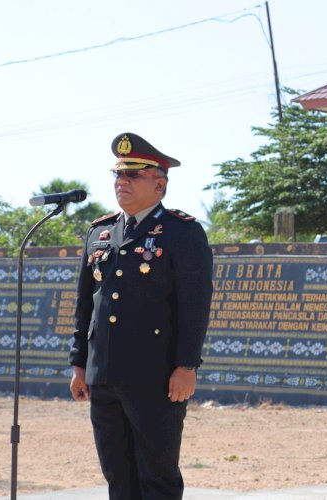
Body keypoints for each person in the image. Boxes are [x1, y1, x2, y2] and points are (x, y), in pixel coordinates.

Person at [69, 132, 213, 499]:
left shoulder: (182, 232)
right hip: (103, 375)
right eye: (118, 175)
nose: (122, 182)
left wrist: (186, 365)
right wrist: (80, 365)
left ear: (159, 184)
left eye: (133, 175)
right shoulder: (99, 233)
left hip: (155, 376)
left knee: (157, 476)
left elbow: (194, 305)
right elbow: (86, 306)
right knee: (118, 474)